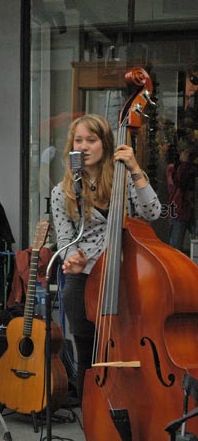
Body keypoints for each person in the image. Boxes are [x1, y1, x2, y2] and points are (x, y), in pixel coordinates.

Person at [51, 114, 161, 400]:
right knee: (85, 343)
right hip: (84, 275)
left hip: (126, 273)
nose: (84, 146)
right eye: (79, 140)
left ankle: (136, 399)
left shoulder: (124, 181)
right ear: (71, 146)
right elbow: (64, 237)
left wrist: (135, 169)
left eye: (92, 140)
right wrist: (70, 257)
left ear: (106, 144)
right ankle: (93, 406)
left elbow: (153, 213)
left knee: (130, 337)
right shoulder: (62, 191)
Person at [166, 146, 195, 251]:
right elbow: (181, 181)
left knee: (176, 242)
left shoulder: (182, 169)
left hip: (182, 209)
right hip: (179, 210)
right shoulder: (174, 169)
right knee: (175, 244)